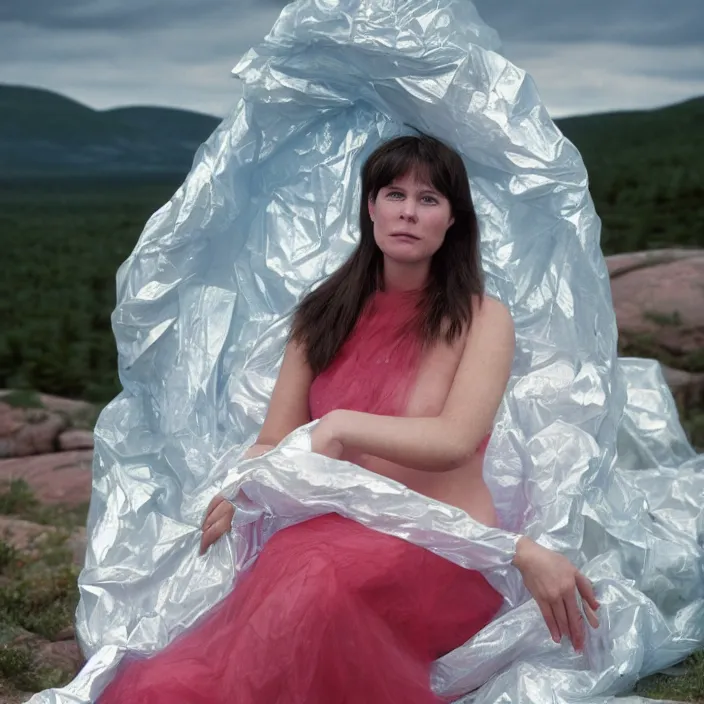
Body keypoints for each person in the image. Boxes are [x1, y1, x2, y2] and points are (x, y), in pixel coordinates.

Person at [98, 134, 600, 704]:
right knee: (282, 572)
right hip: (332, 535)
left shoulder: (483, 317)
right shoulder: (321, 315)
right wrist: (242, 488)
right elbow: (274, 440)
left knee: (316, 579)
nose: (409, 211)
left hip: (445, 551)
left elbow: (455, 441)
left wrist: (335, 425)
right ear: (370, 206)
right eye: (394, 193)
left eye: (430, 198)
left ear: (453, 219)